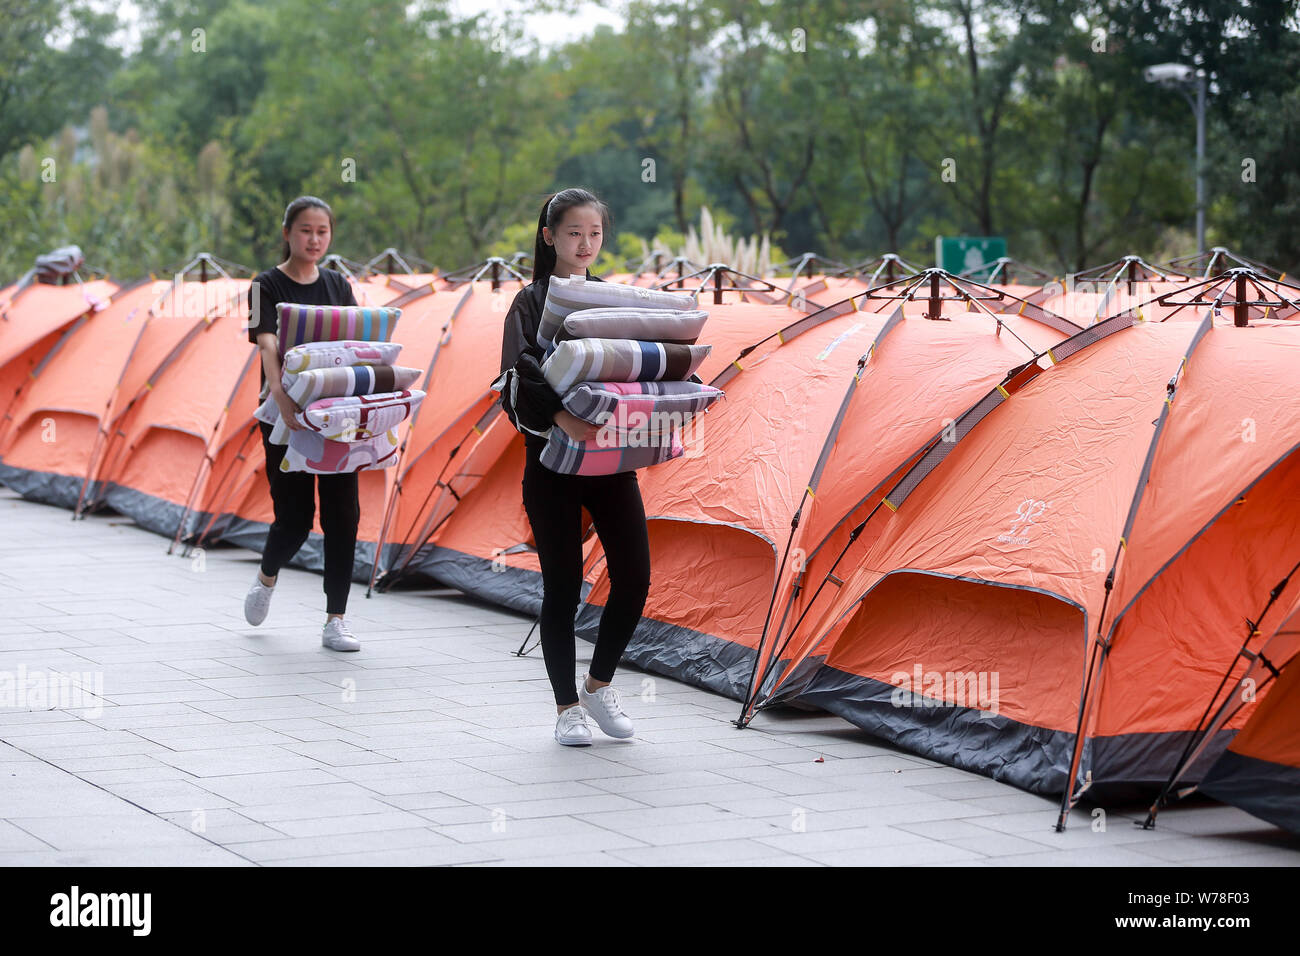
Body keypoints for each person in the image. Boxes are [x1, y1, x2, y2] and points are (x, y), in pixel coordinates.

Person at [498, 187, 651, 746]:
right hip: (551, 464)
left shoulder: (614, 298)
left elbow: (636, 369)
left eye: (595, 234)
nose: (585, 244)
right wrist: (562, 417)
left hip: (612, 461)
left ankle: (599, 683)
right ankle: (566, 708)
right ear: (549, 236)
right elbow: (515, 380)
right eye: (572, 234)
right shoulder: (529, 303)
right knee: (562, 588)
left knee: (634, 579)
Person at [242, 195, 363, 652]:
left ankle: (336, 618)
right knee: (294, 518)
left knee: (343, 514)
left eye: (322, 231)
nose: (314, 239)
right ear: (287, 234)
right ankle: (267, 577)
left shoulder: (338, 285)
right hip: (284, 416)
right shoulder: (264, 285)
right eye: (305, 230)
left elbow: (355, 344)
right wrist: (281, 396)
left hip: (335, 414)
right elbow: (267, 346)